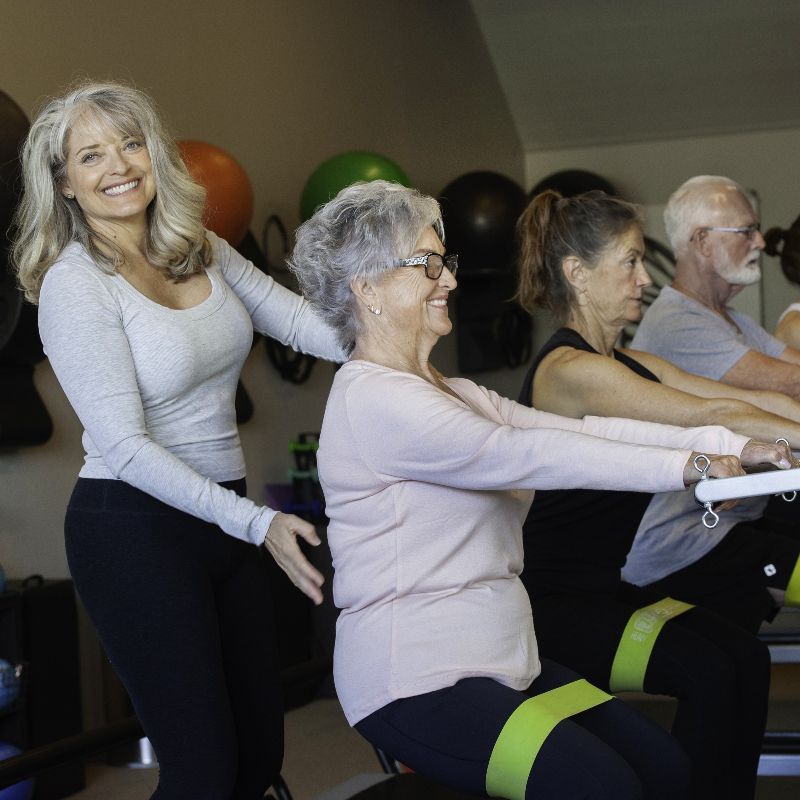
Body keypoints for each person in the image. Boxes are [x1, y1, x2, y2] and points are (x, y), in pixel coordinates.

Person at [287, 179, 788, 800]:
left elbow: (578, 429)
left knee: (662, 766)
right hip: (419, 677)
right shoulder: (373, 399)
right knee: (603, 786)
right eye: (428, 264)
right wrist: (692, 467)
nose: (448, 280)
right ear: (366, 288)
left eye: (447, 263)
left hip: (506, 657)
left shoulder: (456, 391)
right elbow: (527, 454)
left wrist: (732, 446)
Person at [11, 81, 346, 800]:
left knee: (257, 762)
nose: (119, 165)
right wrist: (259, 524)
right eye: (91, 155)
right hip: (134, 532)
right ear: (65, 182)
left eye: (131, 143)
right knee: (203, 774)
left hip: (223, 519)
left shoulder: (201, 250)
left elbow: (302, 325)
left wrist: (403, 316)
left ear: (154, 153)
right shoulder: (76, 285)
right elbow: (125, 448)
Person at [515, 188, 800, 799]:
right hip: (552, 607)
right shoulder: (573, 373)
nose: (645, 277)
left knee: (742, 660)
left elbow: (749, 402)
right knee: (709, 674)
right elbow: (711, 413)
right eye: (630, 261)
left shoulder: (626, 360)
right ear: (578, 274)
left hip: (607, 591)